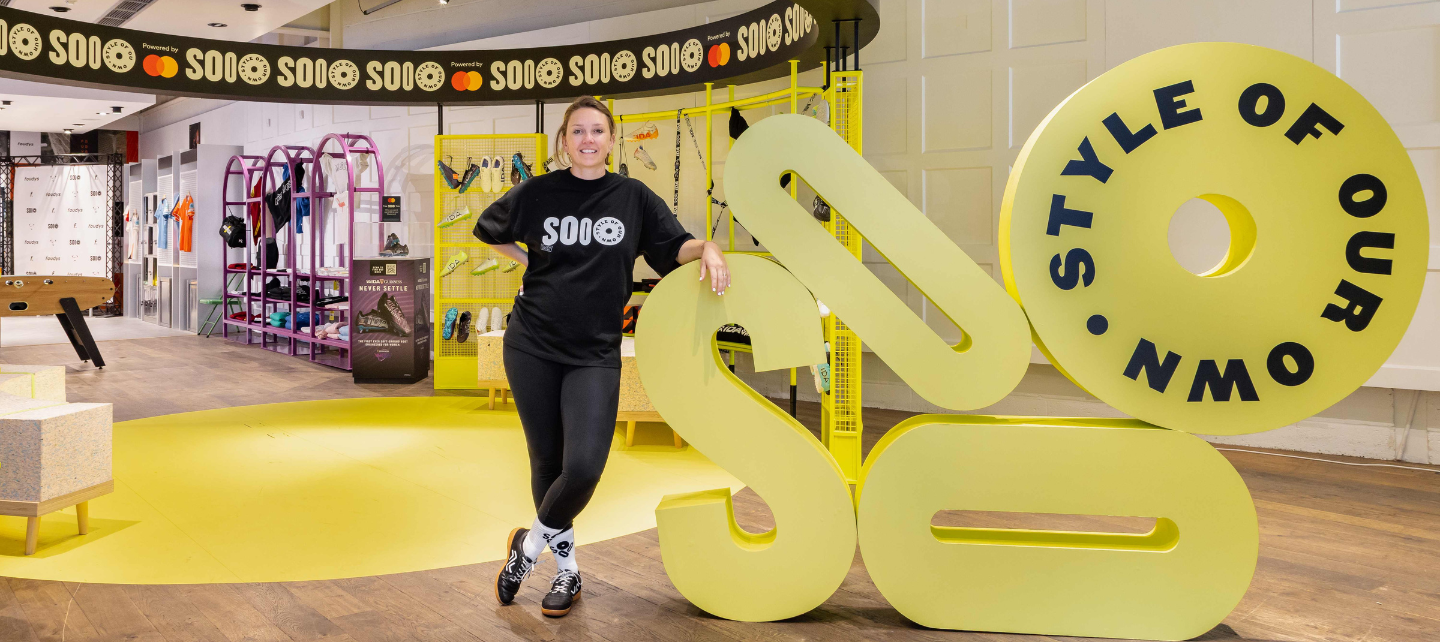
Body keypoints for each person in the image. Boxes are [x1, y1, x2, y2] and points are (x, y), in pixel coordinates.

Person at [473, 95, 731, 617]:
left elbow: (672, 246)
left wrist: (708, 247)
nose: (588, 140)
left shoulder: (631, 196)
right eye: (577, 131)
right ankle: (568, 575)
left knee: (585, 466)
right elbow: (488, 228)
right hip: (532, 345)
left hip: (593, 351)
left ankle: (526, 549)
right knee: (547, 461)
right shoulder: (540, 192)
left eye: (597, 131)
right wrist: (531, 259)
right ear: (563, 141)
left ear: (611, 141)